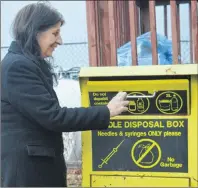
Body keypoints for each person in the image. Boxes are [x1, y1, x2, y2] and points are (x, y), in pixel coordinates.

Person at [1, 2, 129, 187]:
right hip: (30, 173)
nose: (59, 41)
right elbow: (53, 117)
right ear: (34, 31)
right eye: (55, 33)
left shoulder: (24, 63)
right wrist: (106, 111)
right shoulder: (17, 67)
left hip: (37, 169)